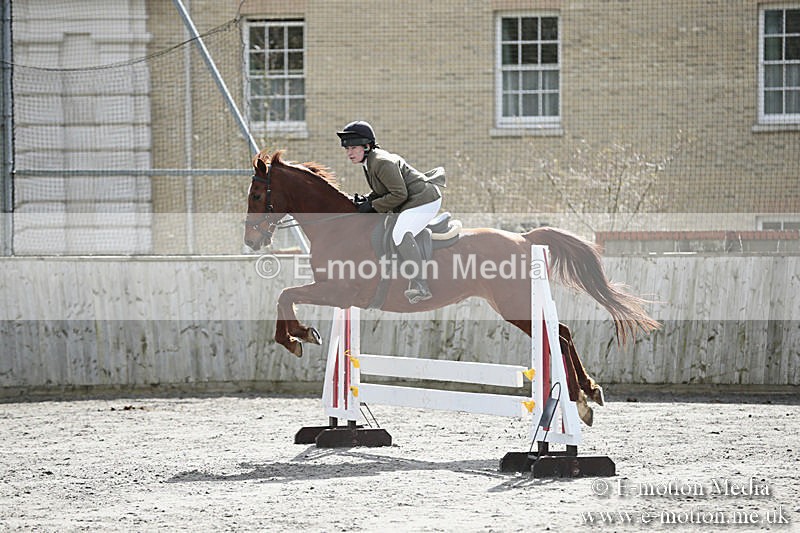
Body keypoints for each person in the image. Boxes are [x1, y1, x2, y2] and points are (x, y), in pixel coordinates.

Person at [337, 120, 443, 304]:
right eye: (347, 149)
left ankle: (420, 285)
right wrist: (367, 199)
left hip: (425, 200)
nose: (349, 153)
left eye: (353, 148)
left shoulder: (381, 162)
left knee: (400, 233)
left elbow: (398, 194)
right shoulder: (370, 162)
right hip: (411, 199)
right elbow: (383, 190)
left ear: (367, 146)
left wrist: (372, 206)